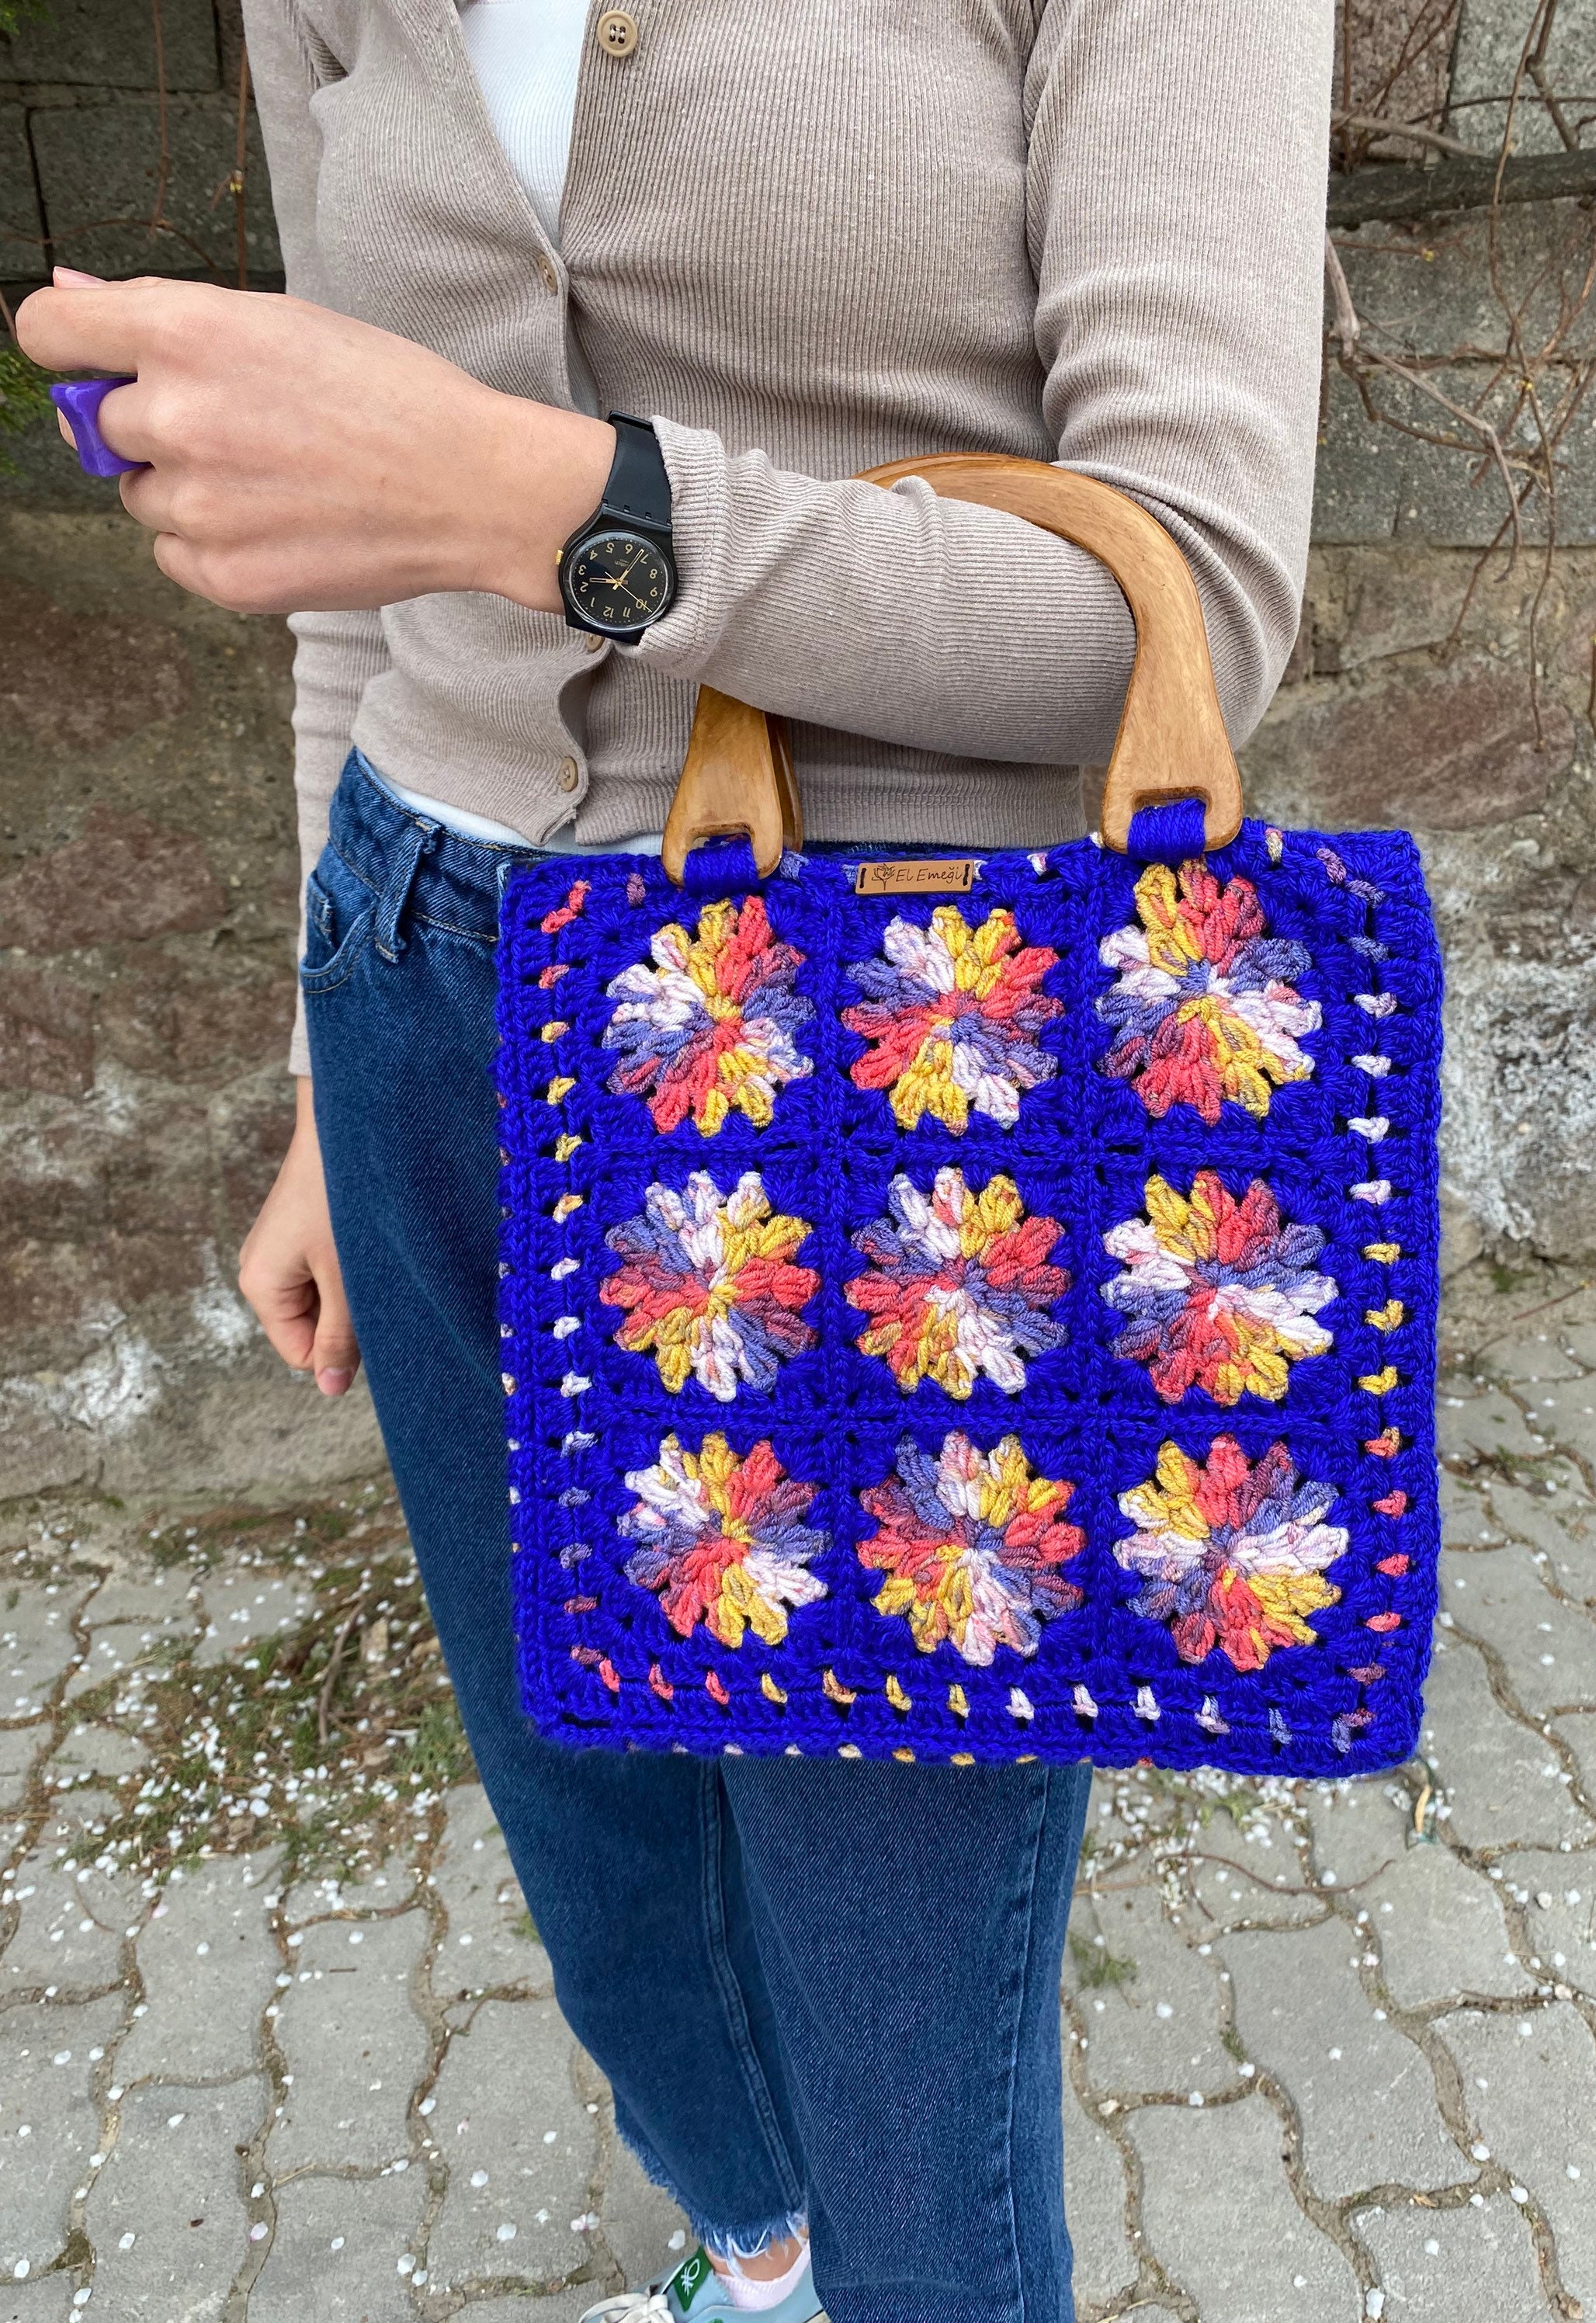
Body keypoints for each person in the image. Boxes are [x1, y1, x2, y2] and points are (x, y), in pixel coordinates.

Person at [19, 5, 1332, 2314]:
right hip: (425, 985)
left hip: (896, 1074)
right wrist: (326, 1082)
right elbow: (351, 581)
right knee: (594, 1831)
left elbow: (1187, 610)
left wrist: (557, 508)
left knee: (897, 1996)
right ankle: (758, 2255)